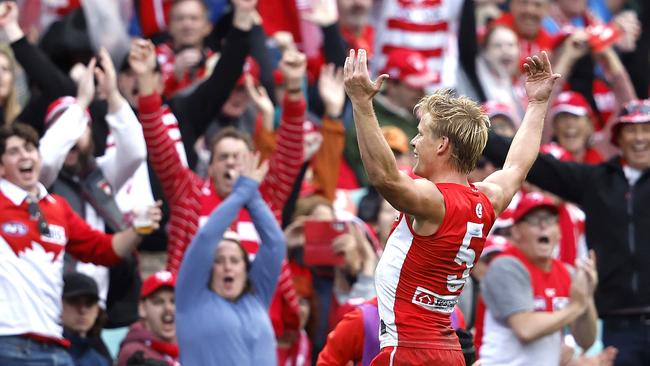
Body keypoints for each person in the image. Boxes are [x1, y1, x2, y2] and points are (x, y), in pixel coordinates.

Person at [343, 47, 559, 364]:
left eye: (420, 134)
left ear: (442, 144)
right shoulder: (487, 198)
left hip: (408, 351)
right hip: (448, 351)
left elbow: (384, 177)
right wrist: (538, 104)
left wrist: (362, 104)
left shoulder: (434, 200)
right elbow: (516, 166)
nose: (414, 143)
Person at [482, 99, 650, 365]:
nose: (640, 137)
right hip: (617, 322)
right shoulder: (596, 181)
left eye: (646, 129)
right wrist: (475, 131)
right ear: (617, 136)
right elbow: (538, 166)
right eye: (632, 129)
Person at [0, 123, 161, 365]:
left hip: (54, 342)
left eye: (30, 148)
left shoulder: (57, 208)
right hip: (9, 341)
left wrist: (139, 229)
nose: (25, 155)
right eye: (14, 151)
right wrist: (81, 103)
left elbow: (105, 250)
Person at [175, 151, 285, 365]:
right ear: (207, 269)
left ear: (246, 268)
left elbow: (275, 243)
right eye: (218, 260)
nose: (227, 267)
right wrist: (243, 190)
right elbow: (207, 237)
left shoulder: (258, 297)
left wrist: (252, 194)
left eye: (235, 260)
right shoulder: (191, 298)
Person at [479, 193, 598, 366]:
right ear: (516, 231)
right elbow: (526, 329)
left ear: (559, 232)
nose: (543, 226)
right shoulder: (505, 266)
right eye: (534, 220)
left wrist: (587, 297)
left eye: (550, 220)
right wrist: (576, 306)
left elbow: (586, 341)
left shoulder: (567, 272)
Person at [117, 271, 178, 366]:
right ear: (142, 308)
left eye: (174, 301)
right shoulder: (134, 354)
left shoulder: (190, 347)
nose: (168, 308)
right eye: (158, 302)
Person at [61, 272, 112, 366]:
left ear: (97, 310)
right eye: (74, 301)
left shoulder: (101, 360)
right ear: (59, 305)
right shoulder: (41, 354)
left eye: (89, 303)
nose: (82, 310)